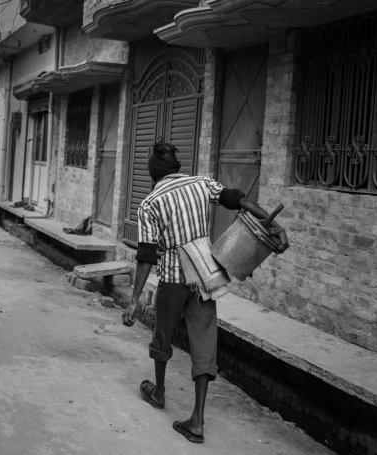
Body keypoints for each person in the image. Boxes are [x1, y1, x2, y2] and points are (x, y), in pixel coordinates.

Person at [123, 142, 288, 444]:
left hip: (173, 277)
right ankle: (197, 420)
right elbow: (237, 199)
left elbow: (147, 253)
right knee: (204, 340)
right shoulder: (201, 183)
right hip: (204, 275)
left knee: (163, 333)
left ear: (152, 172)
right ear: (175, 167)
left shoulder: (149, 203)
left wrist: (134, 300)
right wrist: (273, 224)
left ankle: (159, 392)